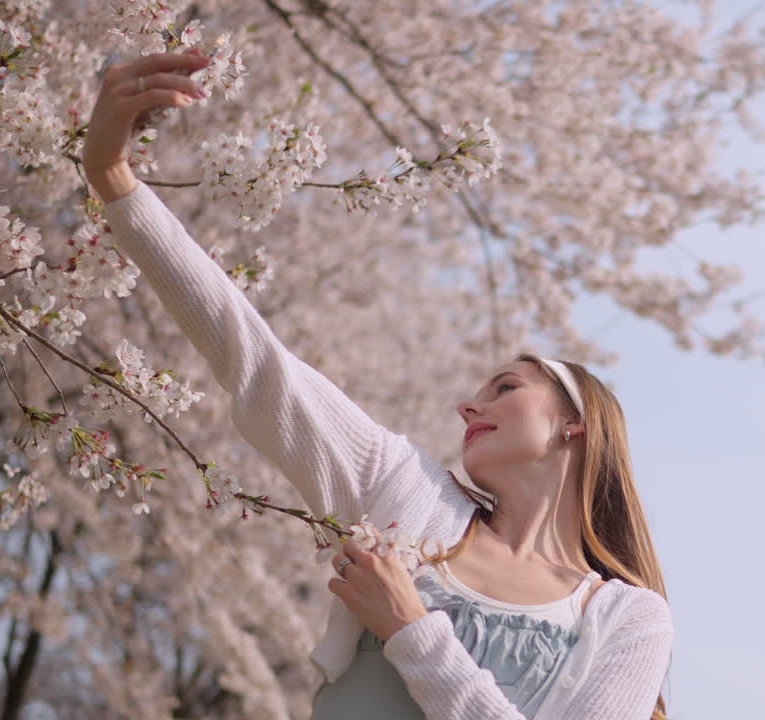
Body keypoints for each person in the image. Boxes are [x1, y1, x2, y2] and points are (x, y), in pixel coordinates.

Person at [81, 52, 675, 719]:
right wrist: (113, 179)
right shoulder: (405, 491)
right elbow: (252, 355)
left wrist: (412, 631)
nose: (469, 404)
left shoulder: (628, 619)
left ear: (578, 424)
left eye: (507, 387)